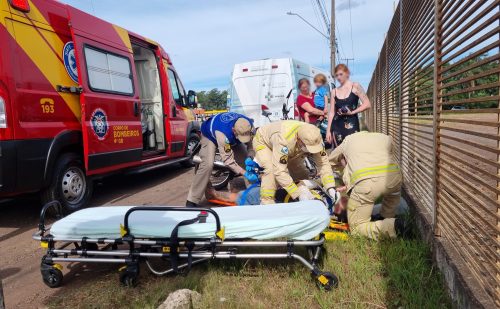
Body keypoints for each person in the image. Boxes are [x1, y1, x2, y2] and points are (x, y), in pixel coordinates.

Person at [329, 131, 407, 239]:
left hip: (366, 184)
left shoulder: (347, 141)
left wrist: (341, 172)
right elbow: (390, 154)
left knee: (356, 228)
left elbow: (331, 161)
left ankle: (393, 227)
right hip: (394, 178)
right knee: (388, 209)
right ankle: (387, 219)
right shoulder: (385, 137)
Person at [253, 120, 336, 204]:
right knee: (271, 169)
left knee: (301, 174)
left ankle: (300, 199)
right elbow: (279, 171)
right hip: (264, 141)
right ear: (299, 139)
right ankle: (267, 202)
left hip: (292, 146)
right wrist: (297, 193)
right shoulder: (283, 141)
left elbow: (323, 163)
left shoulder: (315, 136)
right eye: (308, 147)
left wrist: (330, 186)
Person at [186, 112, 254, 207]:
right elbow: (228, 160)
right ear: (234, 130)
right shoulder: (222, 133)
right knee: (207, 165)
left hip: (231, 136)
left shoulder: (248, 124)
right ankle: (192, 199)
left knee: (247, 164)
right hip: (209, 135)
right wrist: (244, 172)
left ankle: (253, 193)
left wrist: (250, 157)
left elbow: (251, 145)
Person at [326, 64, 371, 147]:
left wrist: (353, 112)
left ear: (347, 73)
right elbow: (332, 112)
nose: (338, 77)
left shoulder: (355, 86)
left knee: (352, 152)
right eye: (336, 75)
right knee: (340, 155)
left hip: (352, 125)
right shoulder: (334, 91)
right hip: (336, 126)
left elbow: (367, 104)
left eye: (341, 74)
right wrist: (328, 131)